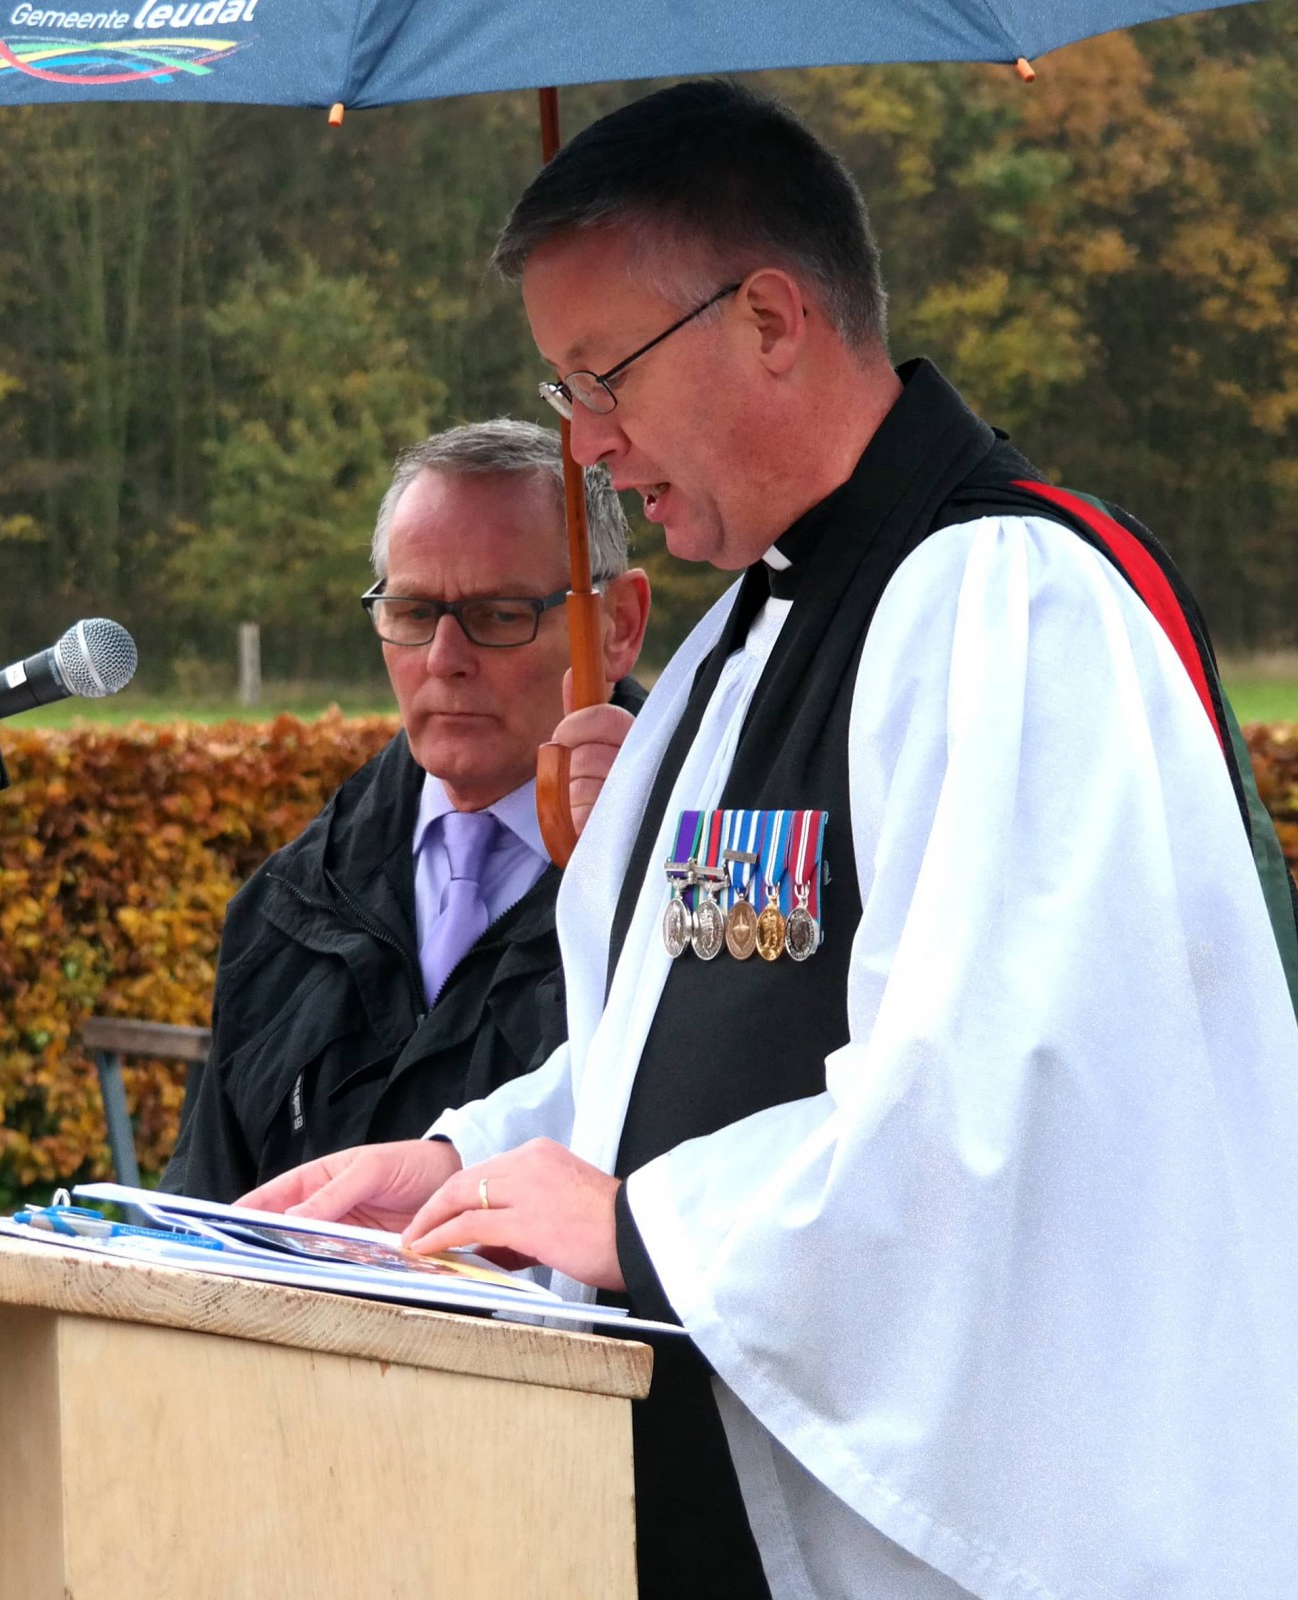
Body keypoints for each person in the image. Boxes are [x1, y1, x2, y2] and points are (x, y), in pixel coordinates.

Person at [243, 83, 1298, 1600]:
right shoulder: (745, 633)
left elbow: (1004, 1099)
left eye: (600, 378)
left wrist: (638, 1225)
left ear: (773, 320)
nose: (588, 447)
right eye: (560, 394)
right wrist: (458, 1165)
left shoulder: (1005, 603)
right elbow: (682, 1039)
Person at [163, 418, 650, 1200]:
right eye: (414, 614)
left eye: (498, 616)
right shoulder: (285, 906)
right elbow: (203, 1220)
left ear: (617, 626)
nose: (443, 660)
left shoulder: (688, 882)